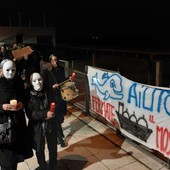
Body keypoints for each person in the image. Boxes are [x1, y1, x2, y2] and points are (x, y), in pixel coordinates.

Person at [0, 59, 33, 170]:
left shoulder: (18, 82)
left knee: (15, 159)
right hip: (3, 127)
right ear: (2, 70)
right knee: (6, 161)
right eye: (7, 70)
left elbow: (24, 97)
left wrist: (22, 104)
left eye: (13, 70)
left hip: (17, 125)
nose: (10, 73)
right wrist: (2, 107)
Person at [25, 72, 57, 170]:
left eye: (40, 79)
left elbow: (55, 102)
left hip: (50, 124)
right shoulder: (28, 95)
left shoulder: (48, 90)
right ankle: (43, 166)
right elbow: (30, 114)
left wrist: (53, 110)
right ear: (31, 82)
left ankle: (53, 164)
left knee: (52, 145)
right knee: (39, 148)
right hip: (37, 126)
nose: (38, 82)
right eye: (34, 80)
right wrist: (44, 114)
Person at [42, 54, 68, 147]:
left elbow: (64, 80)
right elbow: (44, 86)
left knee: (60, 117)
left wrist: (68, 80)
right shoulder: (47, 71)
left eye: (56, 60)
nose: (55, 62)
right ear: (50, 61)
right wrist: (52, 87)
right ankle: (60, 138)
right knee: (56, 117)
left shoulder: (61, 69)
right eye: (52, 60)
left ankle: (59, 134)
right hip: (53, 96)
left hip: (61, 96)